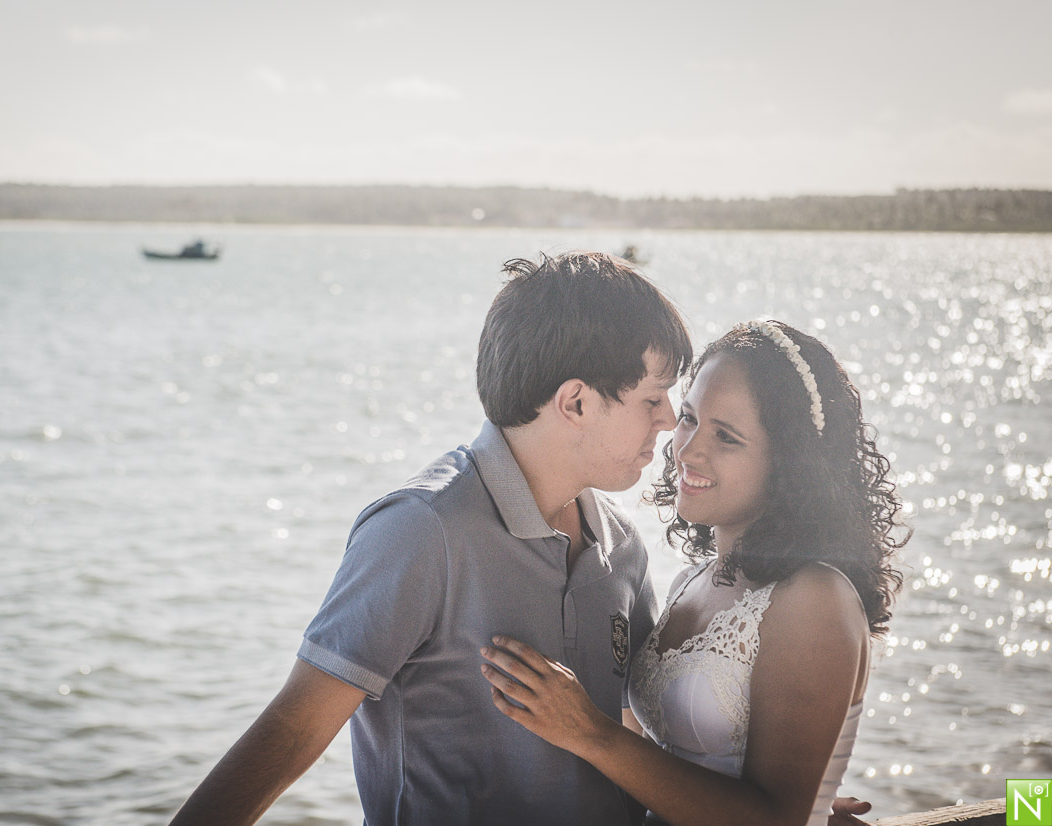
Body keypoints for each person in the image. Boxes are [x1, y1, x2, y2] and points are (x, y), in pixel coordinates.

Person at [168, 251, 694, 825]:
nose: (670, 419)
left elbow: (636, 738)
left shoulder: (622, 544)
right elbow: (293, 731)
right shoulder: (419, 530)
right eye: (653, 398)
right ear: (576, 402)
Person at [482, 320, 907, 826]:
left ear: (792, 464)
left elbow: (777, 820)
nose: (686, 450)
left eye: (726, 437)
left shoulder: (815, 598)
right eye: (688, 418)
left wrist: (591, 733)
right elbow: (670, 767)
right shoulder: (691, 582)